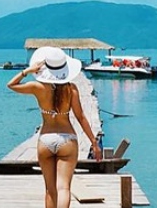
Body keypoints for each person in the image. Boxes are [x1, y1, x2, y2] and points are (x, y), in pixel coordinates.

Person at [7, 46, 102, 208]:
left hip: (45, 140)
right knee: (63, 188)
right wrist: (94, 143)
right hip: (68, 140)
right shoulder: (71, 89)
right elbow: (81, 117)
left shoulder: (38, 88)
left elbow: (11, 85)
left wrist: (28, 71)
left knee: (50, 190)